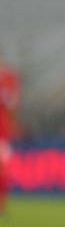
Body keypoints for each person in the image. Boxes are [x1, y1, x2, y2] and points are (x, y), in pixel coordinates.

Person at [0, 49, 19, 216]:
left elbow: (12, 104)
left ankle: (2, 203)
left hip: (2, 133)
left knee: (4, 169)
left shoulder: (9, 79)